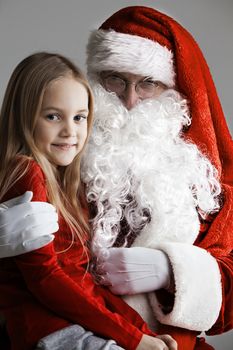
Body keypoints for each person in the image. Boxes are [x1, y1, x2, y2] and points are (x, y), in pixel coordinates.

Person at [0, 5, 233, 350]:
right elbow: (46, 279)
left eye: (148, 84)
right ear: (96, 80)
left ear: (175, 93)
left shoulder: (200, 179)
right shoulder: (63, 161)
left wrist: (173, 271)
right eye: (116, 80)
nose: (129, 100)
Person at [0, 51, 177, 350]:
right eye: (53, 116)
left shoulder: (65, 181)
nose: (71, 131)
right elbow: (48, 280)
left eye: (80, 117)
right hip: (51, 330)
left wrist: (140, 330)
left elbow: (81, 280)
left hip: (74, 325)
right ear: (24, 115)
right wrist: (135, 339)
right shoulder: (26, 171)